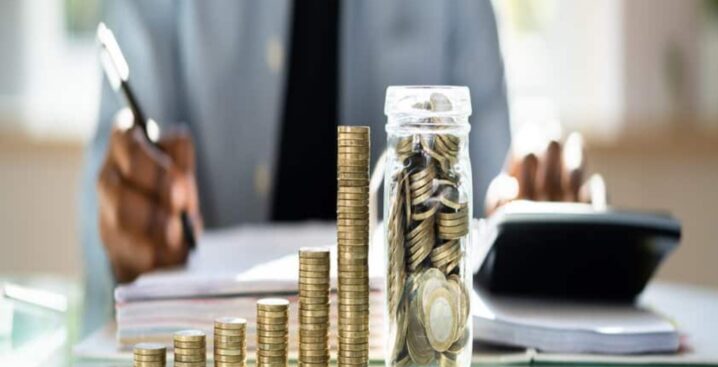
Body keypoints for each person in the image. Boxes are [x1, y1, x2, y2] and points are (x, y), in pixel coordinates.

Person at [81, 0, 580, 335]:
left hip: (398, 363)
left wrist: (523, 202)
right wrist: (133, 218)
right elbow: (112, 189)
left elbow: (486, 197)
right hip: (212, 358)